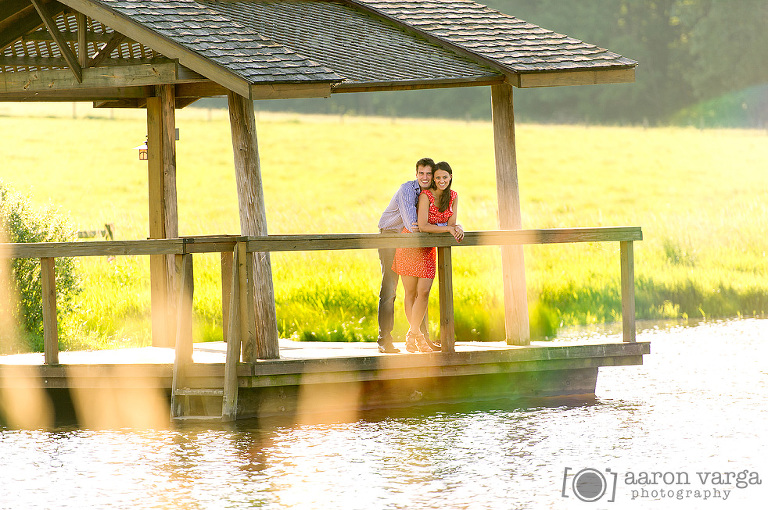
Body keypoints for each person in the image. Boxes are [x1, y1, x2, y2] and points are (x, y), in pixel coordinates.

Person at [392, 161, 464, 352]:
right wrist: (448, 228)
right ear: (433, 179)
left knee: (424, 291)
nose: (441, 180)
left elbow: (452, 223)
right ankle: (419, 338)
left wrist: (456, 228)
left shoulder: (454, 197)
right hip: (411, 244)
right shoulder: (426, 196)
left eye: (444, 177)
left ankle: (412, 334)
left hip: (428, 248)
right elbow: (423, 226)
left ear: (450, 178)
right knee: (410, 293)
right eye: (437, 177)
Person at [377, 157, 436, 354]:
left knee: (421, 291)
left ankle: (422, 339)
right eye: (421, 173)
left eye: (429, 173)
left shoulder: (432, 193)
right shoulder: (407, 190)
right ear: (416, 174)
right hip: (391, 236)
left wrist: (450, 226)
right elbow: (412, 223)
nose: (425, 177)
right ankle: (384, 340)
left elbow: (440, 217)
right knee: (390, 287)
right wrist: (436, 228)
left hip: (412, 241)